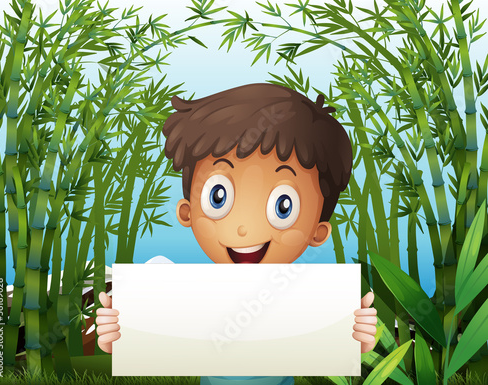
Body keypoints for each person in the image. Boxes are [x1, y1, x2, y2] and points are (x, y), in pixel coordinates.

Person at [96, 83, 378, 385]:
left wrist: (356, 337)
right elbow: (156, 332)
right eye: (219, 197)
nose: (244, 229)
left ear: (317, 232)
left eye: (284, 206)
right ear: (187, 212)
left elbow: (326, 337)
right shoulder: (190, 296)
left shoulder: (302, 297)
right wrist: (119, 334)